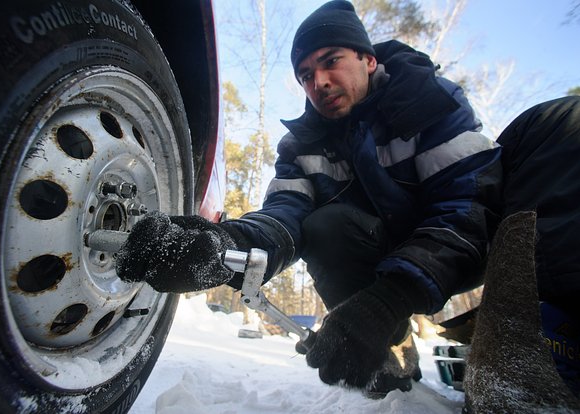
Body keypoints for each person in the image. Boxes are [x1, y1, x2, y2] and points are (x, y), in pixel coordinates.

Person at [116, 0, 503, 396]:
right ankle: (390, 348)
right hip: (371, 252)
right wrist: (227, 246)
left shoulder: (431, 104)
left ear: (368, 59)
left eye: (331, 61)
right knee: (325, 225)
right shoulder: (302, 145)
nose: (318, 81)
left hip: (452, 257)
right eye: (305, 74)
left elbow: (466, 210)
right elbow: (286, 216)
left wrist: (388, 301)